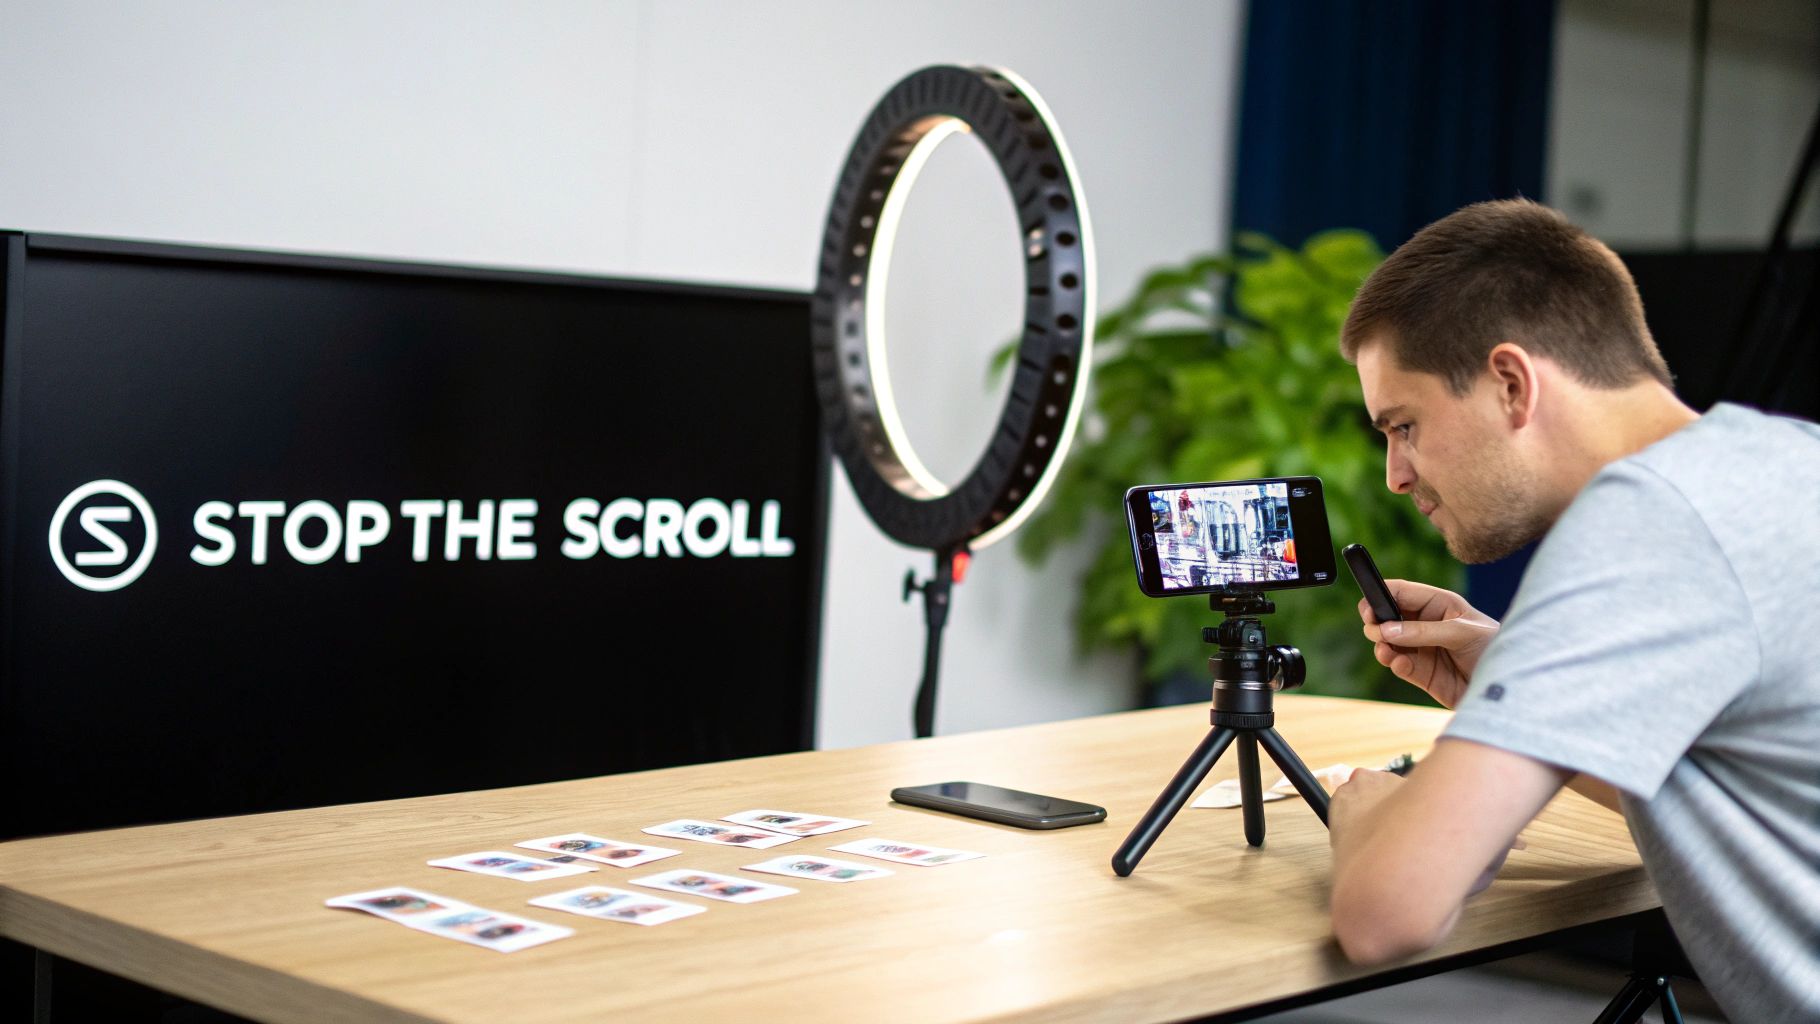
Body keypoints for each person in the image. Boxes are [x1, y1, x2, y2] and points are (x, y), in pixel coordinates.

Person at [1322, 198, 1819, 1023]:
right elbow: (1750, 792)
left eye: (1403, 425)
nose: (1395, 476)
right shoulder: (1784, 463)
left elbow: (1386, 914)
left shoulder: (1648, 524)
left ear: (1511, 383)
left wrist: (1369, 821)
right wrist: (1513, 681)